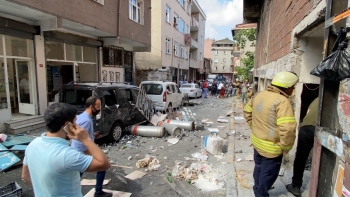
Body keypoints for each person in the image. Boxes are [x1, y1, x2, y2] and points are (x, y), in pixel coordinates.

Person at [21, 103, 111, 197]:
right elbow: (105, 164)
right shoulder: (67, 154)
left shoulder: (33, 144)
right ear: (67, 125)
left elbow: (25, 175)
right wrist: (86, 139)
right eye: (75, 122)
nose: (77, 125)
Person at [243, 71, 298, 197]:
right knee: (268, 174)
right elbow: (288, 128)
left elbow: (247, 112)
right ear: (287, 86)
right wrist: (285, 147)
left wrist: (254, 128)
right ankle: (261, 194)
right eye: (293, 86)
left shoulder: (259, 95)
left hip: (257, 142)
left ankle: (257, 189)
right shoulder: (282, 101)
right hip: (272, 148)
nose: (294, 89)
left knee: (259, 168)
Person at [71, 97, 112, 197]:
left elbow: (80, 134)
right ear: (91, 106)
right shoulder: (87, 121)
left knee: (77, 175)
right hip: (81, 152)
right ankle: (98, 192)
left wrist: (92, 135)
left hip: (77, 151)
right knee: (103, 166)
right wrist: (90, 154)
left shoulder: (81, 116)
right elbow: (80, 140)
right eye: (98, 106)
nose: (99, 109)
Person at [286, 97, 319, 196]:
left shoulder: (316, 98)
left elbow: (308, 111)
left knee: (301, 157)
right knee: (324, 159)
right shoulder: (340, 99)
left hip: (306, 127)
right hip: (321, 129)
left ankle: (296, 186)